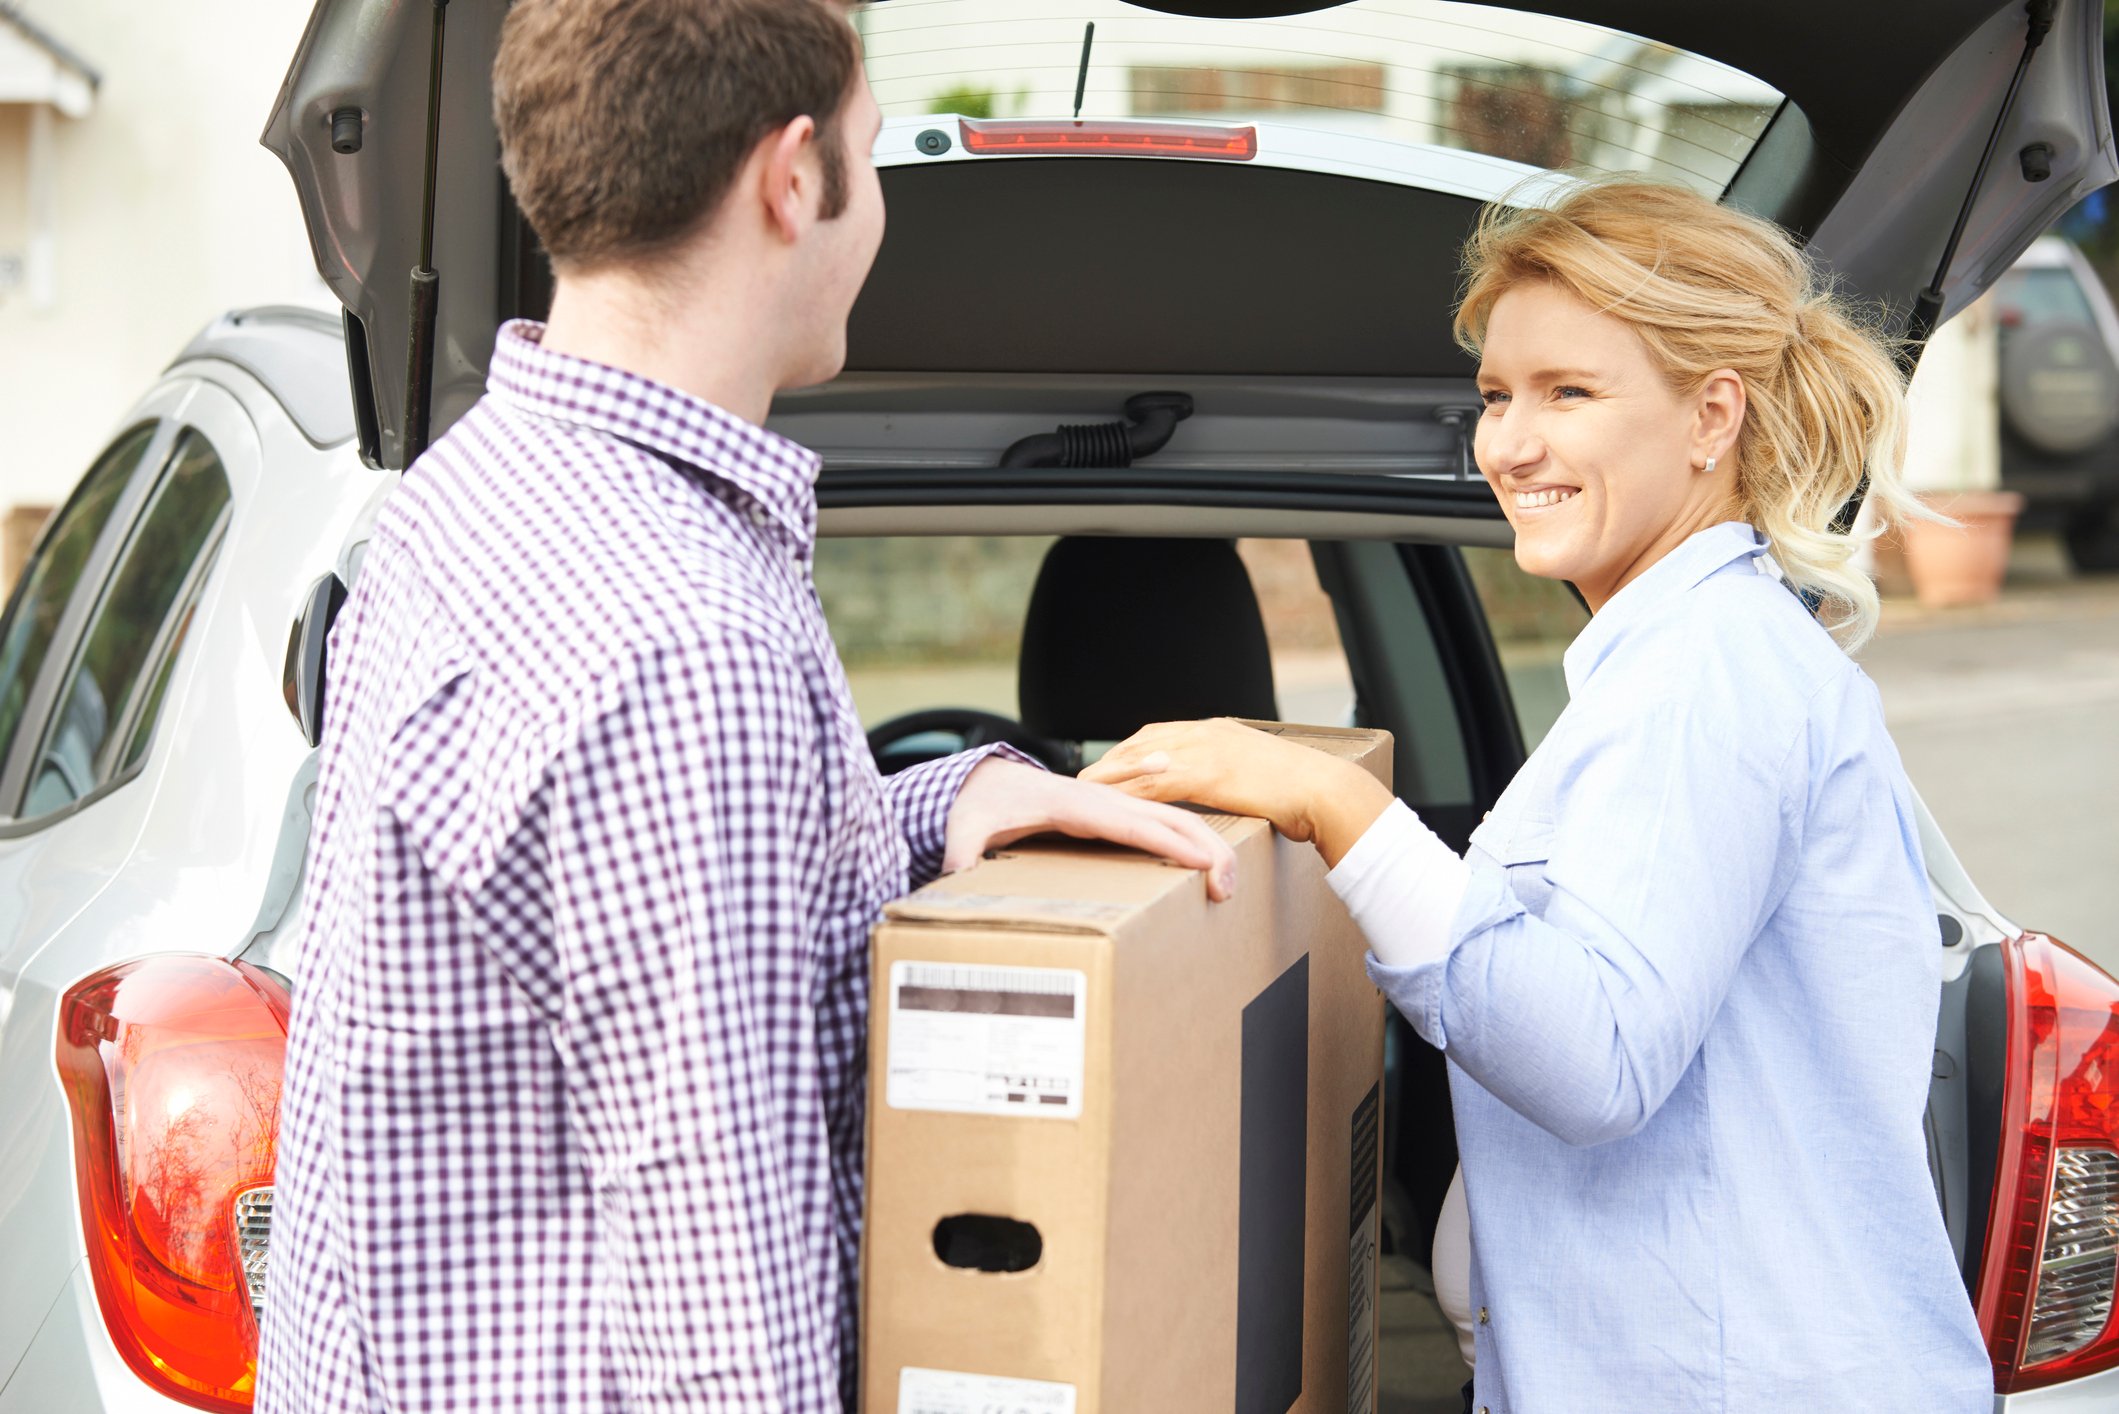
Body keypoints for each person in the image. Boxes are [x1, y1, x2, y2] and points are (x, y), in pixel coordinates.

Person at [255, 3, 1235, 1410]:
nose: (876, 203)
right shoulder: (684, 640)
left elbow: (591, 902)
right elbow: (724, 1318)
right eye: (874, 153)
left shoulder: (467, 502)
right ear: (791, 180)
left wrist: (944, 794)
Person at [1085, 179, 1992, 1412]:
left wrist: (1329, 803)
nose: (1509, 444)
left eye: (1568, 392)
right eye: (1497, 398)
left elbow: (1591, 1057)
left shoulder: (1704, 678)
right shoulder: (1684, 662)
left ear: (1709, 417)